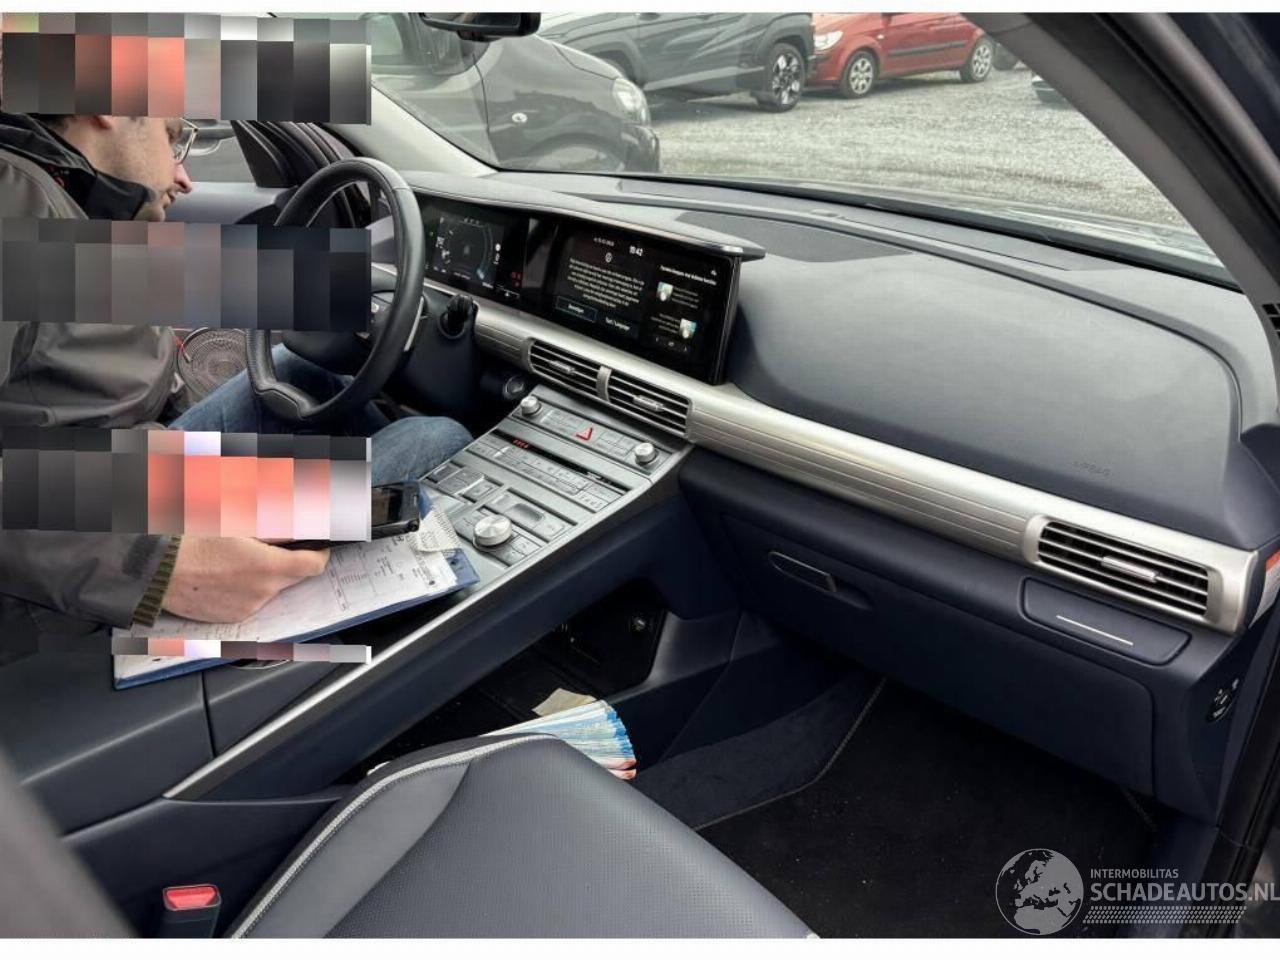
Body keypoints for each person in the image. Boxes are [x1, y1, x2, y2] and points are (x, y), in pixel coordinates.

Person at [0, 110, 470, 641]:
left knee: (300, 371)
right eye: (172, 138)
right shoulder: (14, 200)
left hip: (104, 480)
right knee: (437, 437)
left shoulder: (56, 196)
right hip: (60, 585)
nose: (184, 178)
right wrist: (153, 564)